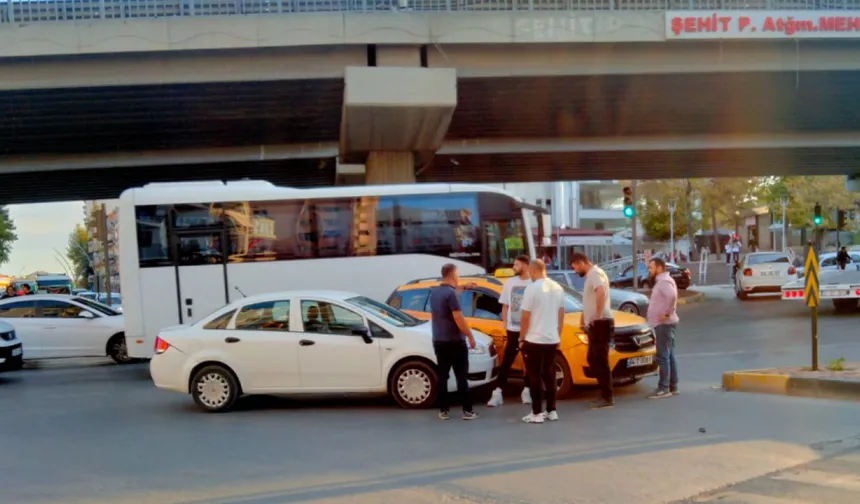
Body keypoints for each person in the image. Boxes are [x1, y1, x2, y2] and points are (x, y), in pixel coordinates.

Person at [428, 263, 479, 421]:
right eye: (457, 275)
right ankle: (467, 411)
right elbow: (458, 317)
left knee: (442, 376)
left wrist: (464, 287)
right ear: (453, 276)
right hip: (455, 341)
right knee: (461, 376)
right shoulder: (450, 295)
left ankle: (443, 410)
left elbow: (451, 291)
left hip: (439, 341)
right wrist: (470, 336)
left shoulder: (435, 293)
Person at [519, 259, 564, 424]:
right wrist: (557, 334)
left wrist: (522, 337)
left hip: (534, 339)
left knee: (534, 376)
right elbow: (561, 313)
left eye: (530, 271)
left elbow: (525, 316)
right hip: (551, 338)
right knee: (549, 374)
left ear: (533, 270)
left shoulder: (532, 288)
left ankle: (536, 412)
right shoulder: (557, 287)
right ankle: (551, 410)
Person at [570, 252, 615, 409]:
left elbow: (600, 292)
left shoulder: (595, 273)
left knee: (599, 360)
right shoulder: (593, 274)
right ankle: (604, 392)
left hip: (601, 323)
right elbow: (589, 300)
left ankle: (607, 396)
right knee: (593, 358)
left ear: (581, 262)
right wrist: (585, 319)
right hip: (596, 323)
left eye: (575, 266)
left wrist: (598, 315)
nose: (575, 270)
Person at [487, 254, 532, 407]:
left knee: (529, 362)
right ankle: (498, 392)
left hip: (529, 330)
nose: (514, 267)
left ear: (525, 266)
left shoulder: (533, 282)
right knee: (507, 361)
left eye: (517, 265)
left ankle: (527, 391)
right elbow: (505, 305)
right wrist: (505, 324)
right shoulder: (510, 283)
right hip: (513, 329)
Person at [646, 257, 680, 399]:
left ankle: (664, 388)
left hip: (664, 325)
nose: (649, 271)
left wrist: (666, 313)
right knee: (669, 355)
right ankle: (672, 386)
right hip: (664, 324)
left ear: (659, 268)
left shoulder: (663, 282)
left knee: (663, 356)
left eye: (651, 268)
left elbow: (672, 296)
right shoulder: (663, 281)